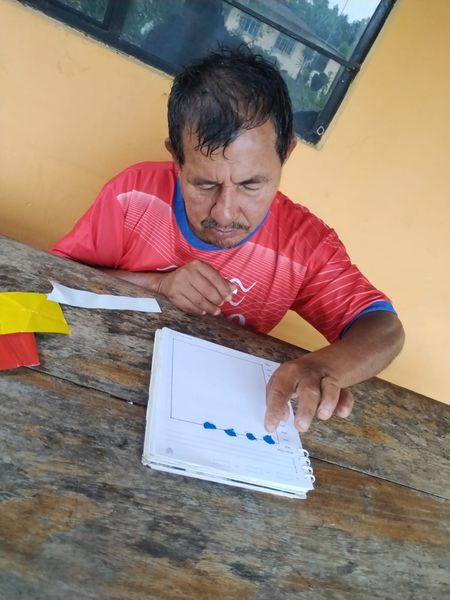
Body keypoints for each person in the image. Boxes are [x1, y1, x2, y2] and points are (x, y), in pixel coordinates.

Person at [52, 46, 404, 434]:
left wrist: (326, 367)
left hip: (213, 415)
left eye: (251, 184)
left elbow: (384, 327)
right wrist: (157, 284)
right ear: (176, 158)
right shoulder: (133, 196)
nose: (224, 213)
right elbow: (58, 276)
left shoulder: (304, 246)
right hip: (97, 378)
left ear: (286, 154)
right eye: (204, 184)